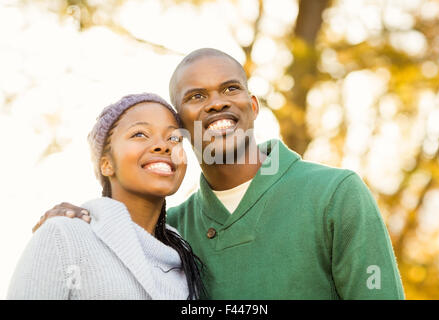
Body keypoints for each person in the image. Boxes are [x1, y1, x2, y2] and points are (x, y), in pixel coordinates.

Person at [31, 48, 405, 299]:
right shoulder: (173, 234)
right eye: (196, 96)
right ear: (180, 122)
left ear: (253, 105)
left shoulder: (334, 195)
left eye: (230, 88)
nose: (217, 102)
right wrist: (77, 218)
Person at [8, 93, 205, 300]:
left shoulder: (187, 260)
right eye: (140, 134)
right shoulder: (63, 235)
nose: (163, 146)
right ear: (106, 164)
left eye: (174, 138)